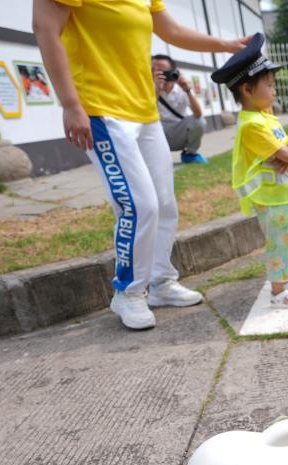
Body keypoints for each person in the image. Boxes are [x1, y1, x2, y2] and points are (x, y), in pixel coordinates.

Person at [32, 0, 247, 330]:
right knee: (139, 205)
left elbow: (172, 31)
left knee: (164, 203)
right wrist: (71, 104)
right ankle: (128, 292)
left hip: (144, 112)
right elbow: (45, 29)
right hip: (100, 109)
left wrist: (228, 45)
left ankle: (161, 282)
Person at [214, 36, 288, 310]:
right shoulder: (252, 125)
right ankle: (278, 293)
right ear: (247, 89)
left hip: (284, 192)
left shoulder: (266, 117)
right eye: (269, 85)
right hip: (271, 197)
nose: (274, 91)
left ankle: (286, 281)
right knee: (279, 242)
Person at [152, 55, 207, 164]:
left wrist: (187, 89)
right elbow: (148, 112)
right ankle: (157, 158)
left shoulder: (182, 88)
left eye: (163, 71)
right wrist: (157, 90)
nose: (158, 73)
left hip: (180, 131)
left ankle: (190, 154)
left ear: (173, 71)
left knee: (200, 121)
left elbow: (198, 114)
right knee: (146, 126)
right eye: (153, 70)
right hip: (160, 132)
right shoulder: (148, 89)